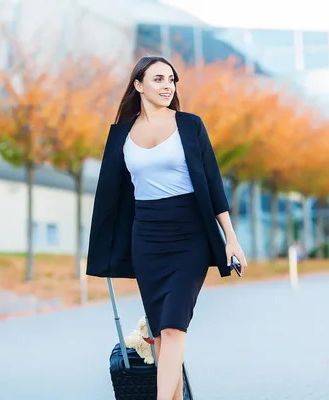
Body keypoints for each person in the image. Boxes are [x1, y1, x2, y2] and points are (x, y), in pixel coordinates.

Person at [86, 56, 248, 400]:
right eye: (158, 79)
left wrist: (230, 239)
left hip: (190, 236)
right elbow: (111, 196)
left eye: (171, 80)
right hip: (146, 237)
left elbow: (214, 185)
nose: (167, 86)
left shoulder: (190, 125)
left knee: (174, 327)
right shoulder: (121, 136)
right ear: (138, 85)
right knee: (160, 335)